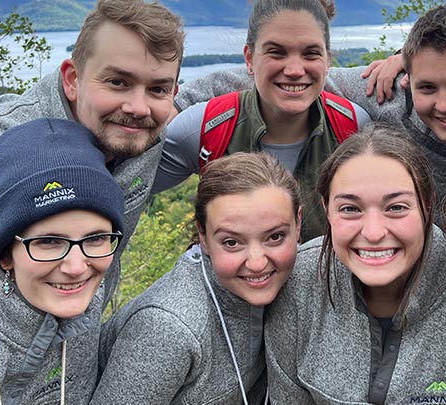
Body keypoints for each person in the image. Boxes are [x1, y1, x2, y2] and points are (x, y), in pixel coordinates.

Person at [172, 1, 446, 265]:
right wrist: (168, 104)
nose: (443, 105)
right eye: (427, 88)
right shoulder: (388, 99)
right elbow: (287, 79)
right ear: (409, 77)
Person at [0, 0, 186, 294]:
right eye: (118, 82)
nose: (139, 108)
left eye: (157, 89)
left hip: (73, 337)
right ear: (73, 80)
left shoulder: (142, 137)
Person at [264, 125, 446, 404]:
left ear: (427, 205)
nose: (374, 233)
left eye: (396, 207)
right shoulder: (296, 282)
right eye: (350, 209)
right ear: (326, 209)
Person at [155, 0, 369, 241]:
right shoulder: (207, 127)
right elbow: (125, 187)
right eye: (276, 52)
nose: (294, 69)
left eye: (310, 53)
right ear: (249, 58)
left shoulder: (351, 128)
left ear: (328, 60)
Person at [0, 118, 125, 403]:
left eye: (95, 238)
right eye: (49, 242)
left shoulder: (83, 294)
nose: (77, 267)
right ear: (6, 254)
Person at [92, 152, 299, 404]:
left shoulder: (295, 282)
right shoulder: (169, 329)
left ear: (298, 223)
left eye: (275, 237)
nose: (257, 263)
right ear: (203, 236)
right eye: (232, 242)